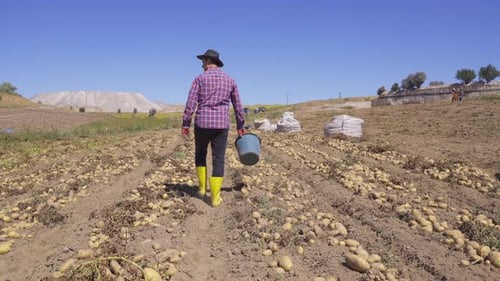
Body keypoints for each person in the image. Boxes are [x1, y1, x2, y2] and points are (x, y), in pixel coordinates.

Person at [181, 49, 246, 207]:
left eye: (202, 61)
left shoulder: (199, 79)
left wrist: (185, 123)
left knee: (200, 154)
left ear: (208, 60)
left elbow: (191, 103)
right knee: (218, 159)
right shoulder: (230, 80)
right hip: (221, 125)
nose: (202, 64)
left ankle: (202, 190)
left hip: (202, 123)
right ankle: (215, 198)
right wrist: (240, 126)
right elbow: (238, 106)